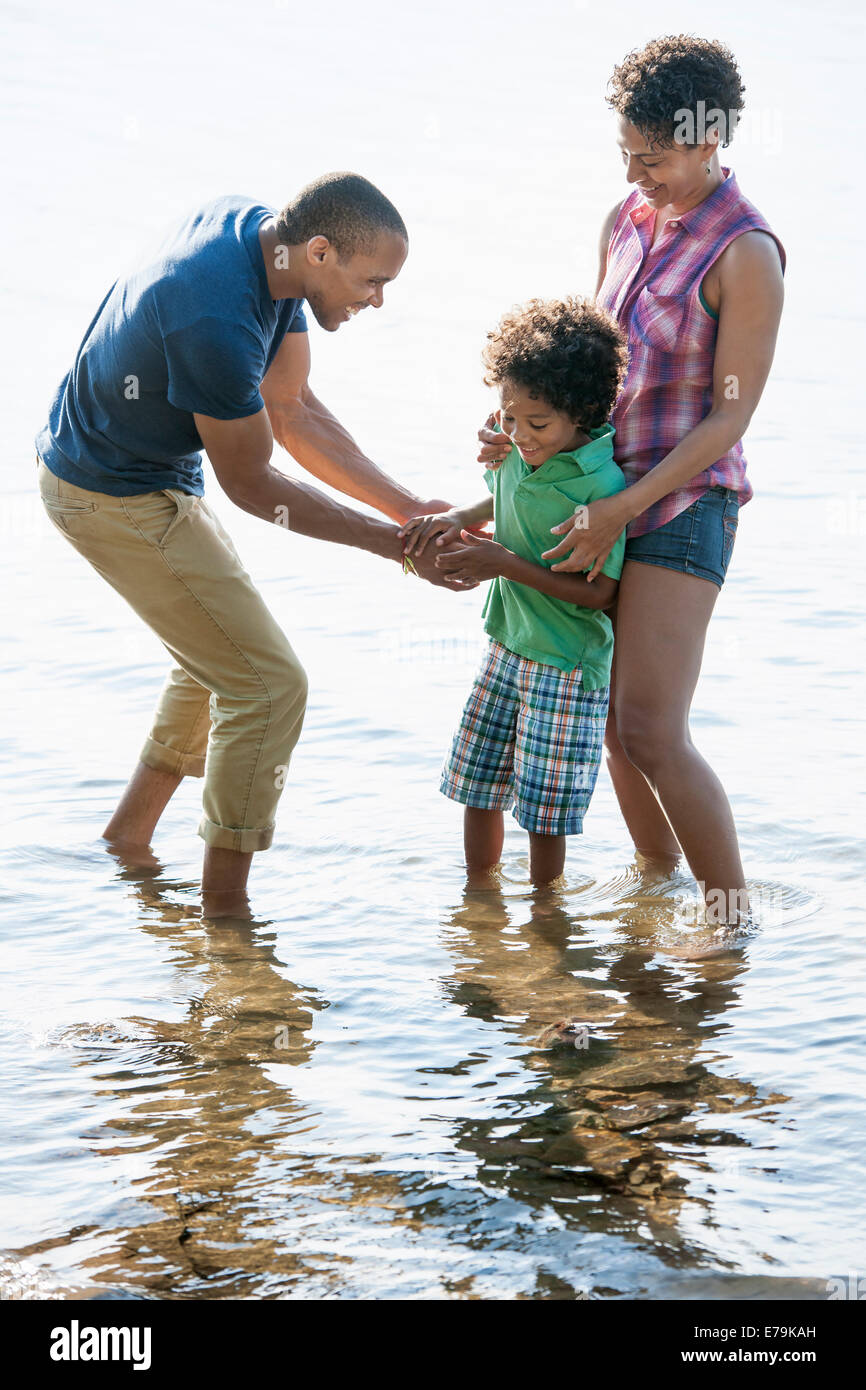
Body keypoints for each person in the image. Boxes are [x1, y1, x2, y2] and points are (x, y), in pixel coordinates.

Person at [36, 172, 473, 918]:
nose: (377, 301)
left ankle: (127, 843)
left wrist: (407, 509)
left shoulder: (267, 247)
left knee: (217, 666)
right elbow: (253, 485)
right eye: (373, 282)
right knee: (267, 687)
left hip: (148, 472)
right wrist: (395, 547)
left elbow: (292, 410)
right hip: (106, 492)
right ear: (323, 251)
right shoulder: (214, 317)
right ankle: (227, 922)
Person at [477, 37, 786, 926]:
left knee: (651, 727)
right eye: (626, 154)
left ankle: (730, 923)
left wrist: (621, 505)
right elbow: (592, 373)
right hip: (599, 489)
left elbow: (730, 419)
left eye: (651, 158)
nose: (635, 173)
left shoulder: (746, 253)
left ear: (708, 139)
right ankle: (660, 896)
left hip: (686, 505)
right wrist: (522, 430)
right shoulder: (624, 220)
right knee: (613, 730)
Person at [401, 297, 628, 886]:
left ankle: (545, 915)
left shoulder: (601, 485)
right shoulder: (515, 448)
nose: (520, 435)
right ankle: (479, 899)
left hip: (566, 662)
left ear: (581, 413)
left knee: (544, 812)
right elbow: (501, 494)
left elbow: (601, 594)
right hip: (506, 644)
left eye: (537, 424)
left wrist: (502, 562)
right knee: (477, 784)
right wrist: (457, 515)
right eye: (508, 417)